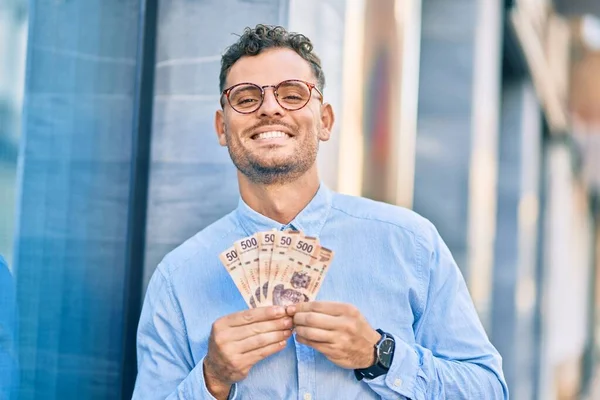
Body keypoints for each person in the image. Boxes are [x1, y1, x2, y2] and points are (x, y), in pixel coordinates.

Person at [133, 24, 508, 399]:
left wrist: (380, 356)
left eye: (293, 95)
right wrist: (211, 379)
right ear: (221, 127)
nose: (270, 108)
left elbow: (489, 389)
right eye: (246, 99)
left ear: (325, 121)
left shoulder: (411, 244)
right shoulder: (176, 281)